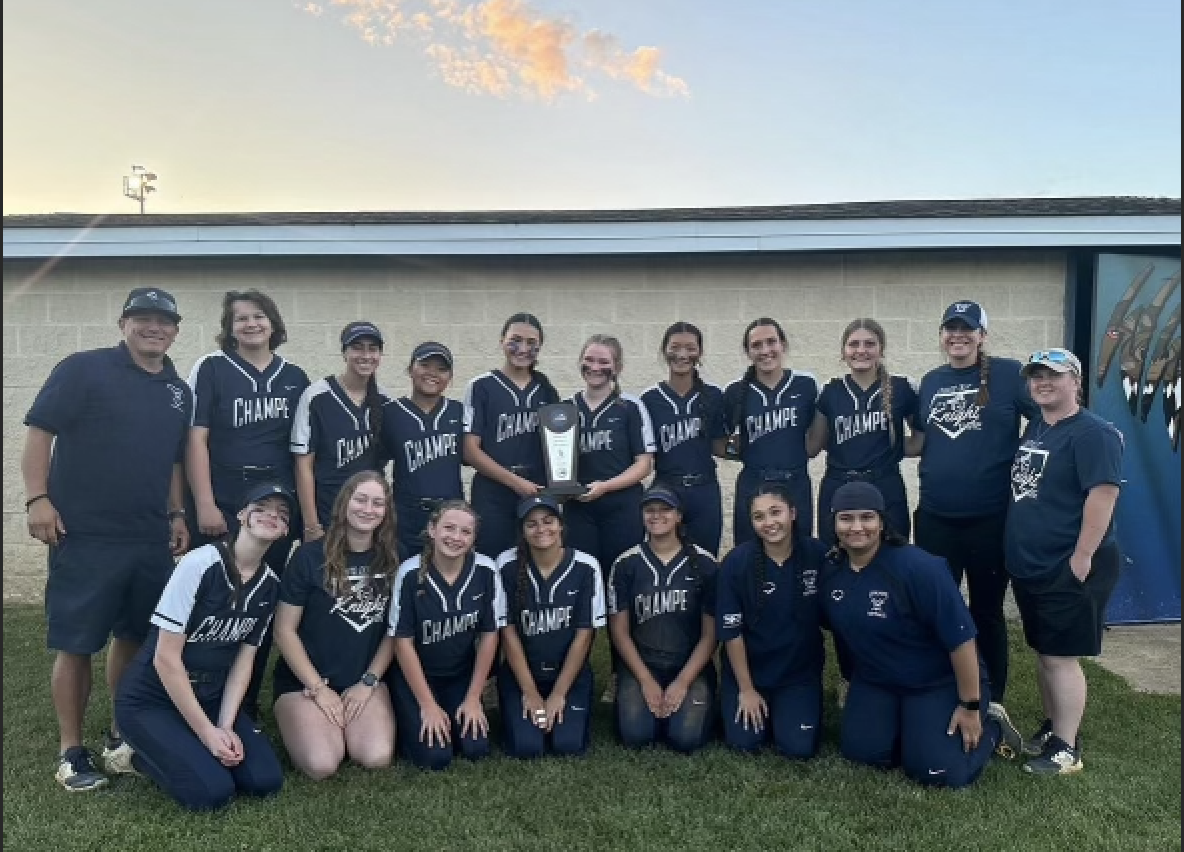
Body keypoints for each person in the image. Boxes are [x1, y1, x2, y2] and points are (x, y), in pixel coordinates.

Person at [22, 287, 192, 792]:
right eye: (142, 318)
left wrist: (176, 513)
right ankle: (71, 752)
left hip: (147, 536)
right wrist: (38, 499)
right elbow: (39, 433)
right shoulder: (82, 369)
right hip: (86, 533)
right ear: (123, 324)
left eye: (163, 320)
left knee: (134, 638)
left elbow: (174, 460)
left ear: (175, 330)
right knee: (77, 643)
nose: (153, 327)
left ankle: (122, 736)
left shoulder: (178, 389)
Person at [819, 481, 1023, 789]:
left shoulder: (920, 569)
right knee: (863, 754)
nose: (856, 527)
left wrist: (969, 705)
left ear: (882, 522)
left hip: (935, 682)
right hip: (878, 681)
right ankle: (910, 727)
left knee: (938, 772)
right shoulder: (831, 571)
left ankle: (991, 726)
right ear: (832, 522)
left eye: (867, 517)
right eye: (846, 518)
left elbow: (962, 640)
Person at [112, 482, 293, 811]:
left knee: (264, 781)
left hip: (211, 696)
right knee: (212, 792)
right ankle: (139, 755)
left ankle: (189, 740)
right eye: (262, 506)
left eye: (281, 514)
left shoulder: (270, 586)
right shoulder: (199, 564)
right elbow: (165, 659)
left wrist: (225, 724)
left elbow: (243, 662)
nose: (272, 515)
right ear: (241, 515)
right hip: (152, 699)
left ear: (284, 532)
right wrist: (208, 734)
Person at [186, 288, 310, 723]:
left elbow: (301, 450)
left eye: (259, 316)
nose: (251, 324)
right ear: (229, 327)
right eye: (241, 318)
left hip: (274, 503)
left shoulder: (296, 377)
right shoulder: (213, 368)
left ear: (274, 323)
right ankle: (194, 695)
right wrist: (203, 502)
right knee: (212, 600)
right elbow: (196, 438)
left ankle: (246, 702)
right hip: (224, 497)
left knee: (259, 602)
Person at [906, 301, 1038, 703]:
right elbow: (918, 439)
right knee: (935, 610)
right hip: (934, 518)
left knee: (987, 613)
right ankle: (941, 689)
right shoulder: (930, 380)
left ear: (982, 335)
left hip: (990, 518)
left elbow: (1047, 417)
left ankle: (992, 698)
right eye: (951, 328)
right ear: (942, 335)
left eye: (967, 328)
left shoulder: (1009, 374)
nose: (958, 335)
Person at [1006, 348, 1124, 775]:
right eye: (1036, 376)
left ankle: (1066, 749)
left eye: (1053, 376)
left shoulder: (1094, 433)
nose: (1043, 382)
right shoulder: (1038, 425)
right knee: (1045, 650)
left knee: (1061, 657)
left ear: (1076, 381)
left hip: (1068, 563)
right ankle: (1055, 725)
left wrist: (1082, 557)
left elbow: (1103, 494)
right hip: (1032, 562)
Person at [272, 471, 400, 779]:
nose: (368, 509)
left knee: (375, 756)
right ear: (344, 503)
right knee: (321, 764)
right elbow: (283, 630)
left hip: (364, 677)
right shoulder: (308, 556)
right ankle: (314, 720)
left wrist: (369, 681)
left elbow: (396, 631)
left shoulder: (395, 558)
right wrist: (318, 688)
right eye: (361, 500)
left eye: (377, 503)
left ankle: (351, 720)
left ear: (386, 512)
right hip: (306, 681)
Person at [387, 501, 506, 770]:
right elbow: (402, 643)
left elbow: (490, 635)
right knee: (435, 756)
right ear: (432, 529)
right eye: (449, 528)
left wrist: (474, 697)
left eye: (466, 532)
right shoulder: (409, 573)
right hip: (416, 675)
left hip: (458, 674)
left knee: (476, 748)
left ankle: (451, 713)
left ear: (474, 538)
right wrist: (427, 704)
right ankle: (402, 722)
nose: (456, 538)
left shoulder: (486, 571)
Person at [715, 483, 828, 758]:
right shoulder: (737, 563)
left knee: (798, 749)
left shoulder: (819, 555)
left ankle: (793, 708)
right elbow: (731, 631)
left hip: (798, 674)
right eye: (759, 517)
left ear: (792, 513)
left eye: (775, 512)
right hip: (750, 672)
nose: (769, 523)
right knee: (744, 744)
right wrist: (746, 689)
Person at [608, 485, 718, 753]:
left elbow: (710, 634)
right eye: (650, 510)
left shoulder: (704, 563)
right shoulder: (626, 563)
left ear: (679, 515)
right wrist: (645, 680)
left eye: (665, 509)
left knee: (685, 739)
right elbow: (619, 631)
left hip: (688, 665)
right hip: (642, 664)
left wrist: (682, 682)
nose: (656, 516)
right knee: (637, 735)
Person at [495, 495, 606, 758]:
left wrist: (558, 694)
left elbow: (584, 636)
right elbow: (508, 633)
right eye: (531, 524)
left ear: (561, 525)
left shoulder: (585, 566)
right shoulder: (506, 565)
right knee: (528, 747)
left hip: (569, 675)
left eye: (548, 521)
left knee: (567, 745)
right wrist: (530, 692)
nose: (541, 529)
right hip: (522, 674)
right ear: (522, 530)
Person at [808, 318, 918, 545]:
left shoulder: (902, 388)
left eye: (869, 344)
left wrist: (892, 449)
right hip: (839, 484)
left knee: (893, 555)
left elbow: (919, 442)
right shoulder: (830, 391)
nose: (861, 350)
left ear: (881, 349)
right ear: (843, 351)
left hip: (885, 483)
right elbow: (813, 445)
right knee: (835, 558)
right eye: (853, 344)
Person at [463, 313, 561, 560]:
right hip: (493, 491)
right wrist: (515, 482)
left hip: (535, 487)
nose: (523, 348)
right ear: (501, 341)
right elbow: (470, 450)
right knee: (492, 562)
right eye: (515, 340)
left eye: (531, 343)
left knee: (534, 563)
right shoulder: (481, 386)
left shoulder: (547, 391)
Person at [720, 318, 819, 546]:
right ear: (747, 352)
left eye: (771, 342)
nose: (765, 350)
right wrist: (743, 455)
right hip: (753, 481)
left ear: (783, 344)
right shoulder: (735, 392)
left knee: (800, 552)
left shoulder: (806, 385)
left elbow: (817, 436)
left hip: (795, 481)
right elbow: (720, 442)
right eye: (756, 345)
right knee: (749, 553)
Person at [565, 334, 656, 579]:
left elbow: (643, 465)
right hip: (579, 509)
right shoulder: (565, 408)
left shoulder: (630, 406)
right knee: (584, 577)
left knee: (622, 576)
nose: (595, 367)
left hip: (622, 507)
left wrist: (606, 486)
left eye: (604, 361)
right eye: (589, 360)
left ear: (618, 367)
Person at [291, 321, 391, 540]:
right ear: (344, 353)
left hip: (369, 514)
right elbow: (303, 465)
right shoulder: (316, 396)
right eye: (357, 347)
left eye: (372, 348)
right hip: (327, 511)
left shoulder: (385, 401)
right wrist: (311, 524)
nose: (365, 355)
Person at [641, 322, 727, 555]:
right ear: (663, 351)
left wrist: (753, 444)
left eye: (690, 347)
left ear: (700, 352)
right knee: (665, 558)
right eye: (675, 347)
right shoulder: (648, 400)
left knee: (706, 558)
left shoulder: (713, 395)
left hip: (705, 489)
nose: (682, 354)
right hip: (666, 489)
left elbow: (720, 445)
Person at [381, 341, 465, 557]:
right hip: (406, 519)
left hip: (450, 518)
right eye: (425, 365)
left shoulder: (459, 412)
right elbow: (373, 466)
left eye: (441, 368)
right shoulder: (390, 413)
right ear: (410, 369)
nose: (432, 373)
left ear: (450, 377)